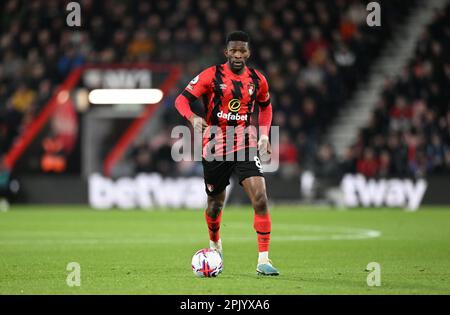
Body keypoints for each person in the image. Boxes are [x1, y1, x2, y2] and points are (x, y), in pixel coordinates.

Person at [174, 31, 279, 276]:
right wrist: (192, 118)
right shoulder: (211, 75)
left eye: (242, 51)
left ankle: (264, 259)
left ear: (248, 53)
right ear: (227, 52)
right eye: (234, 51)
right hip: (214, 147)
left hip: (244, 143)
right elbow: (181, 100)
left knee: (261, 197)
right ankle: (214, 244)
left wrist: (264, 135)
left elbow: (265, 106)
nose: (238, 55)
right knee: (214, 205)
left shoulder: (258, 80)